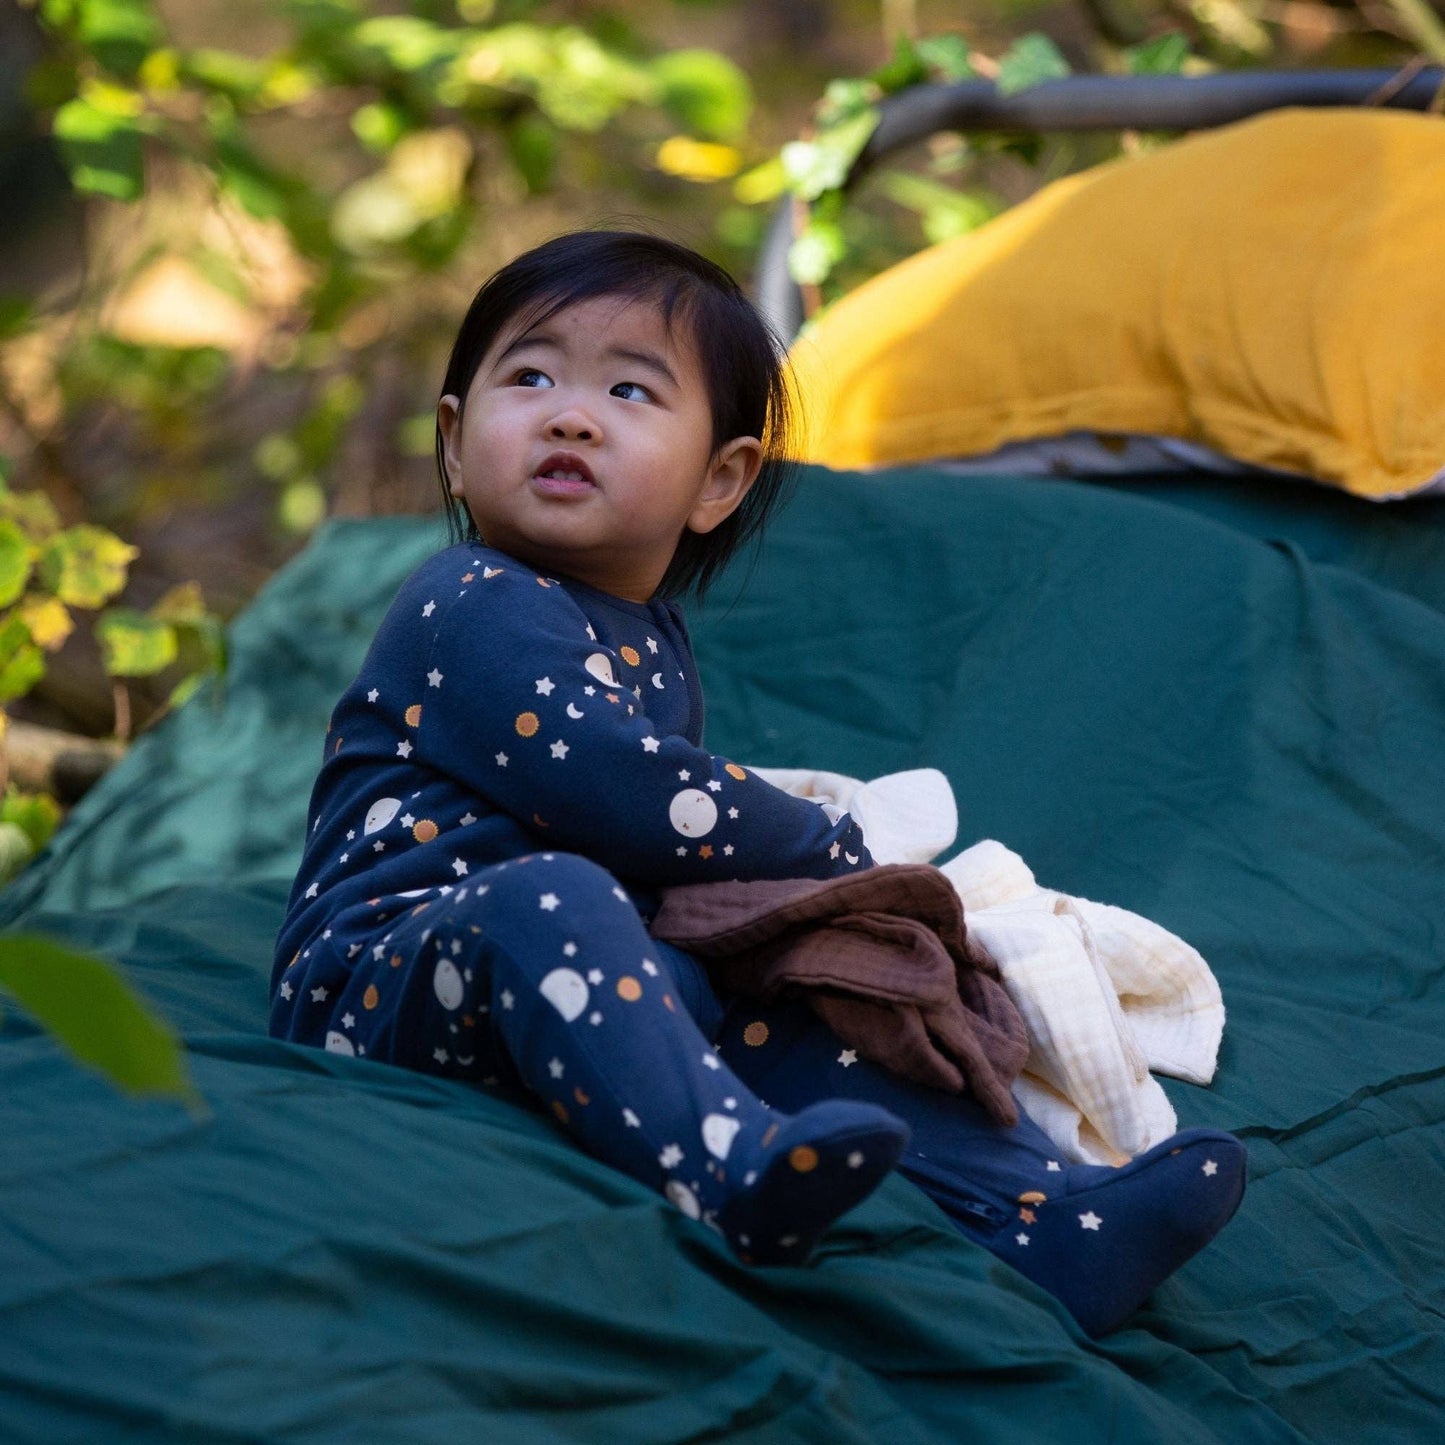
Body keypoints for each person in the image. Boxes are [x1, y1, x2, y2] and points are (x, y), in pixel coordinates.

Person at [271, 230, 1244, 1330]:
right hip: (384, 977)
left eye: (629, 390)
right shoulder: (471, 599)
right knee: (550, 892)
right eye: (529, 376)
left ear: (718, 478)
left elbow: (666, 835)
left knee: (786, 994)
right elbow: (618, 788)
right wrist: (823, 839)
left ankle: (1037, 1211)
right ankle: (730, 1169)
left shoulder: (654, 640)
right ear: (453, 443)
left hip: (573, 964)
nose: (569, 413)